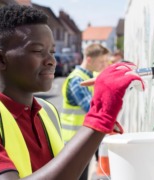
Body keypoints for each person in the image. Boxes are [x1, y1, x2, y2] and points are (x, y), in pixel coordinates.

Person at [0, 4, 144, 180]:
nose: (52, 60)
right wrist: (99, 118)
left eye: (52, 51)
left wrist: (93, 134)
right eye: (38, 51)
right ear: (0, 59)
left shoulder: (47, 110)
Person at [60, 44, 109, 179]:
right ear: (89, 60)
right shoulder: (77, 80)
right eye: (101, 61)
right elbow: (92, 108)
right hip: (75, 140)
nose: (104, 64)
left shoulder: (90, 76)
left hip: (85, 138)